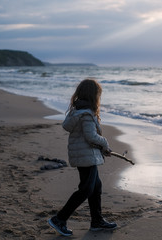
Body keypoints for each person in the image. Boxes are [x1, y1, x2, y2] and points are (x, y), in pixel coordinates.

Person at [48, 78, 117, 237]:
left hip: (84, 155)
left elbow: (85, 137)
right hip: (86, 157)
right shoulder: (86, 114)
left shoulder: (77, 111)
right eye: (98, 94)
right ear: (93, 95)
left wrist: (102, 149)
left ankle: (97, 221)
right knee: (86, 189)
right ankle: (60, 219)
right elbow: (91, 136)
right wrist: (105, 143)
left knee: (95, 187)